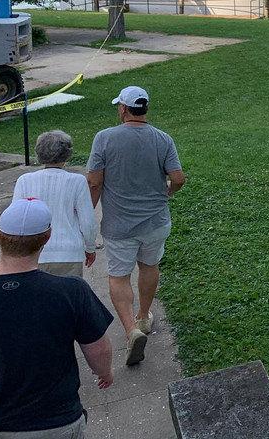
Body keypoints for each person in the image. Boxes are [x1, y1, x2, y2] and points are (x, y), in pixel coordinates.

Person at [0, 198, 113, 437]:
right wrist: (105, 372)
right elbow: (99, 349)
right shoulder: (71, 291)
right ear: (47, 238)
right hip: (56, 422)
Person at [87, 85, 185, 367]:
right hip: (156, 222)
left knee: (119, 276)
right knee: (149, 266)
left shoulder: (104, 138)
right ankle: (143, 316)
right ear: (145, 109)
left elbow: (94, 182)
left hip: (120, 226)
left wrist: (86, 215)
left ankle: (131, 331)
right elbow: (178, 178)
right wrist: (167, 192)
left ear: (123, 109)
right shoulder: (163, 139)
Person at [0, 131, 97, 276]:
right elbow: (87, 222)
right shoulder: (77, 181)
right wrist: (90, 248)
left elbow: (13, 222)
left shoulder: (25, 180)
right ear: (67, 153)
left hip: (31, 254)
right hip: (68, 253)